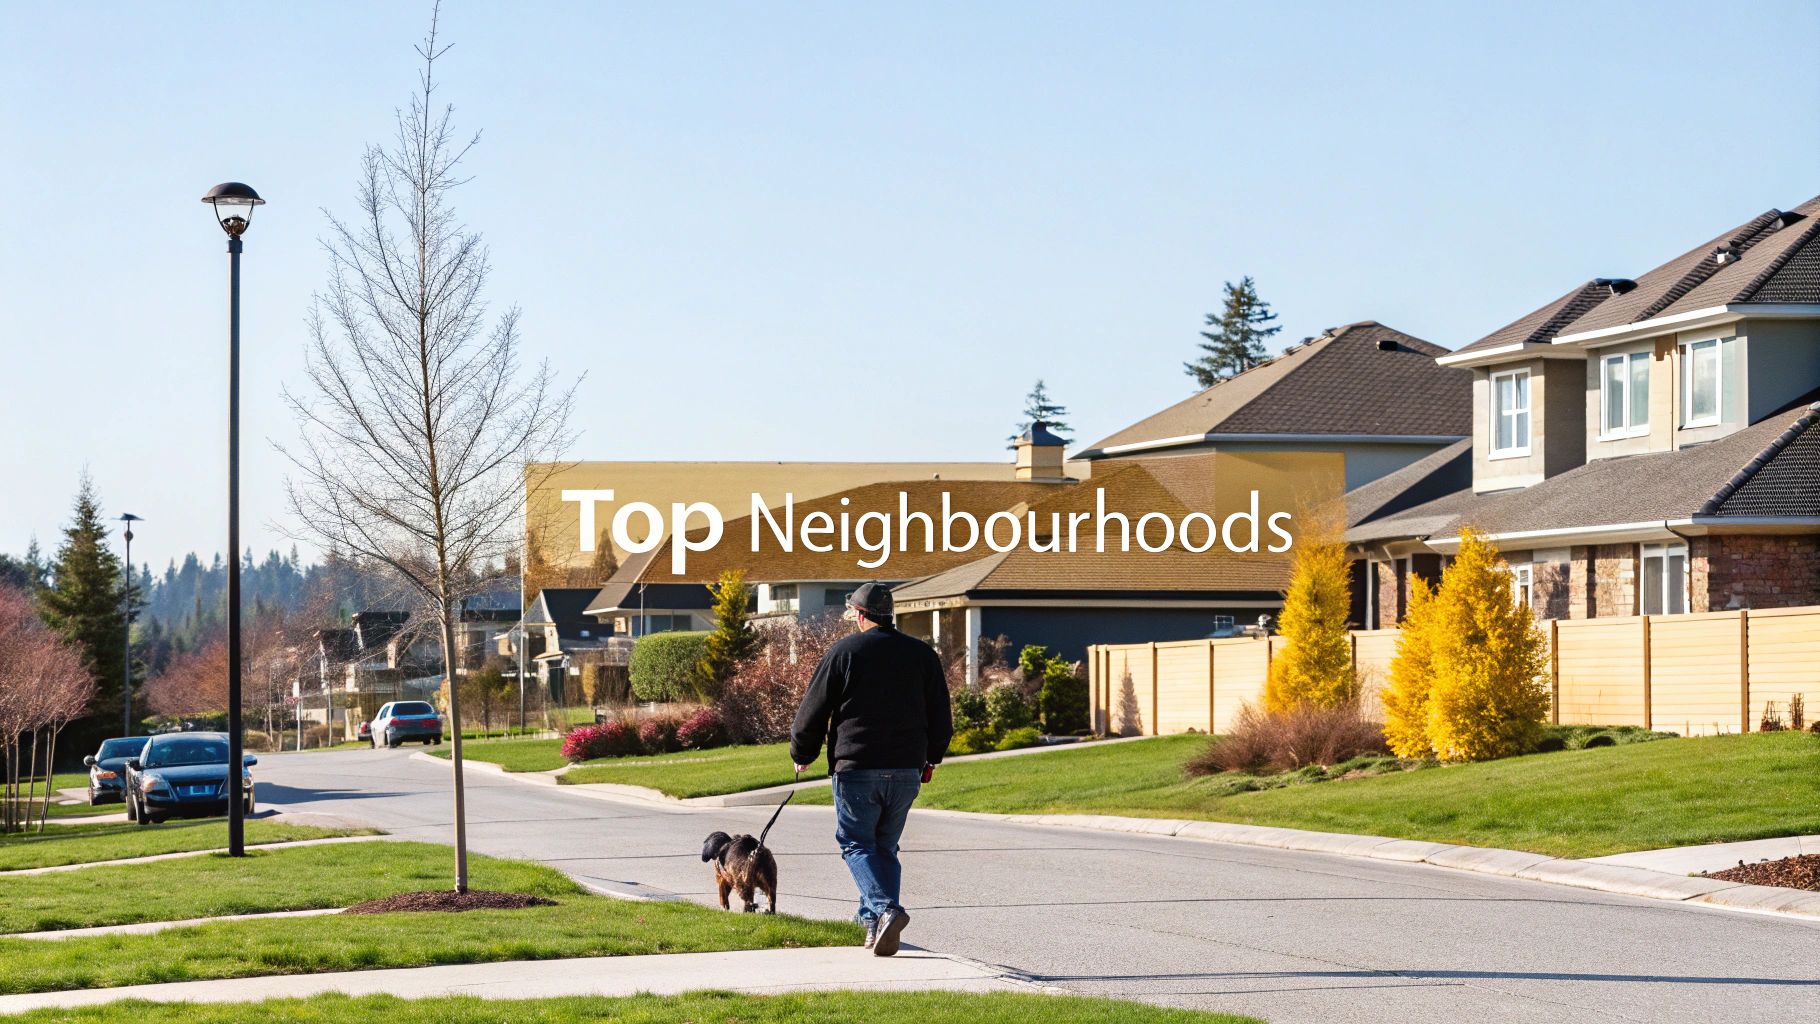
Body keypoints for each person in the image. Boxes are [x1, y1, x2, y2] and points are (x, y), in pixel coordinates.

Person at [791, 581, 953, 957]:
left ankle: (884, 910)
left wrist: (803, 751)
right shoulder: (921, 655)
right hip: (905, 770)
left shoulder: (845, 652)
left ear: (861, 616)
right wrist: (933, 756)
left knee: (856, 844)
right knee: (884, 847)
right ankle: (871, 926)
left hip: (857, 767)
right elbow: (941, 715)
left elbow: (813, 709)